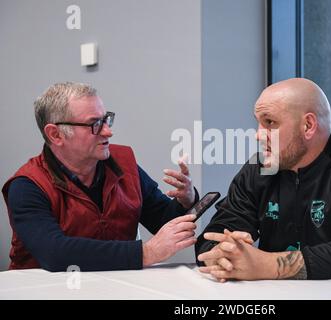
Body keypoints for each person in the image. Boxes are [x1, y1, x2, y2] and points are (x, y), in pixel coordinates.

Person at [195, 78, 331, 281]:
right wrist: (223, 254)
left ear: (308, 126)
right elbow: (215, 234)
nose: (258, 135)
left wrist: (266, 265)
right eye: (259, 123)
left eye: (270, 122)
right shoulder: (260, 169)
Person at [2, 82, 199, 272]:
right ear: (56, 135)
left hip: (114, 287)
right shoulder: (27, 185)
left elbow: (162, 221)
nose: (108, 131)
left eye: (106, 119)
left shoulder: (125, 163)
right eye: (94, 124)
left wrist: (185, 201)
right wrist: (145, 253)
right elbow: (55, 253)